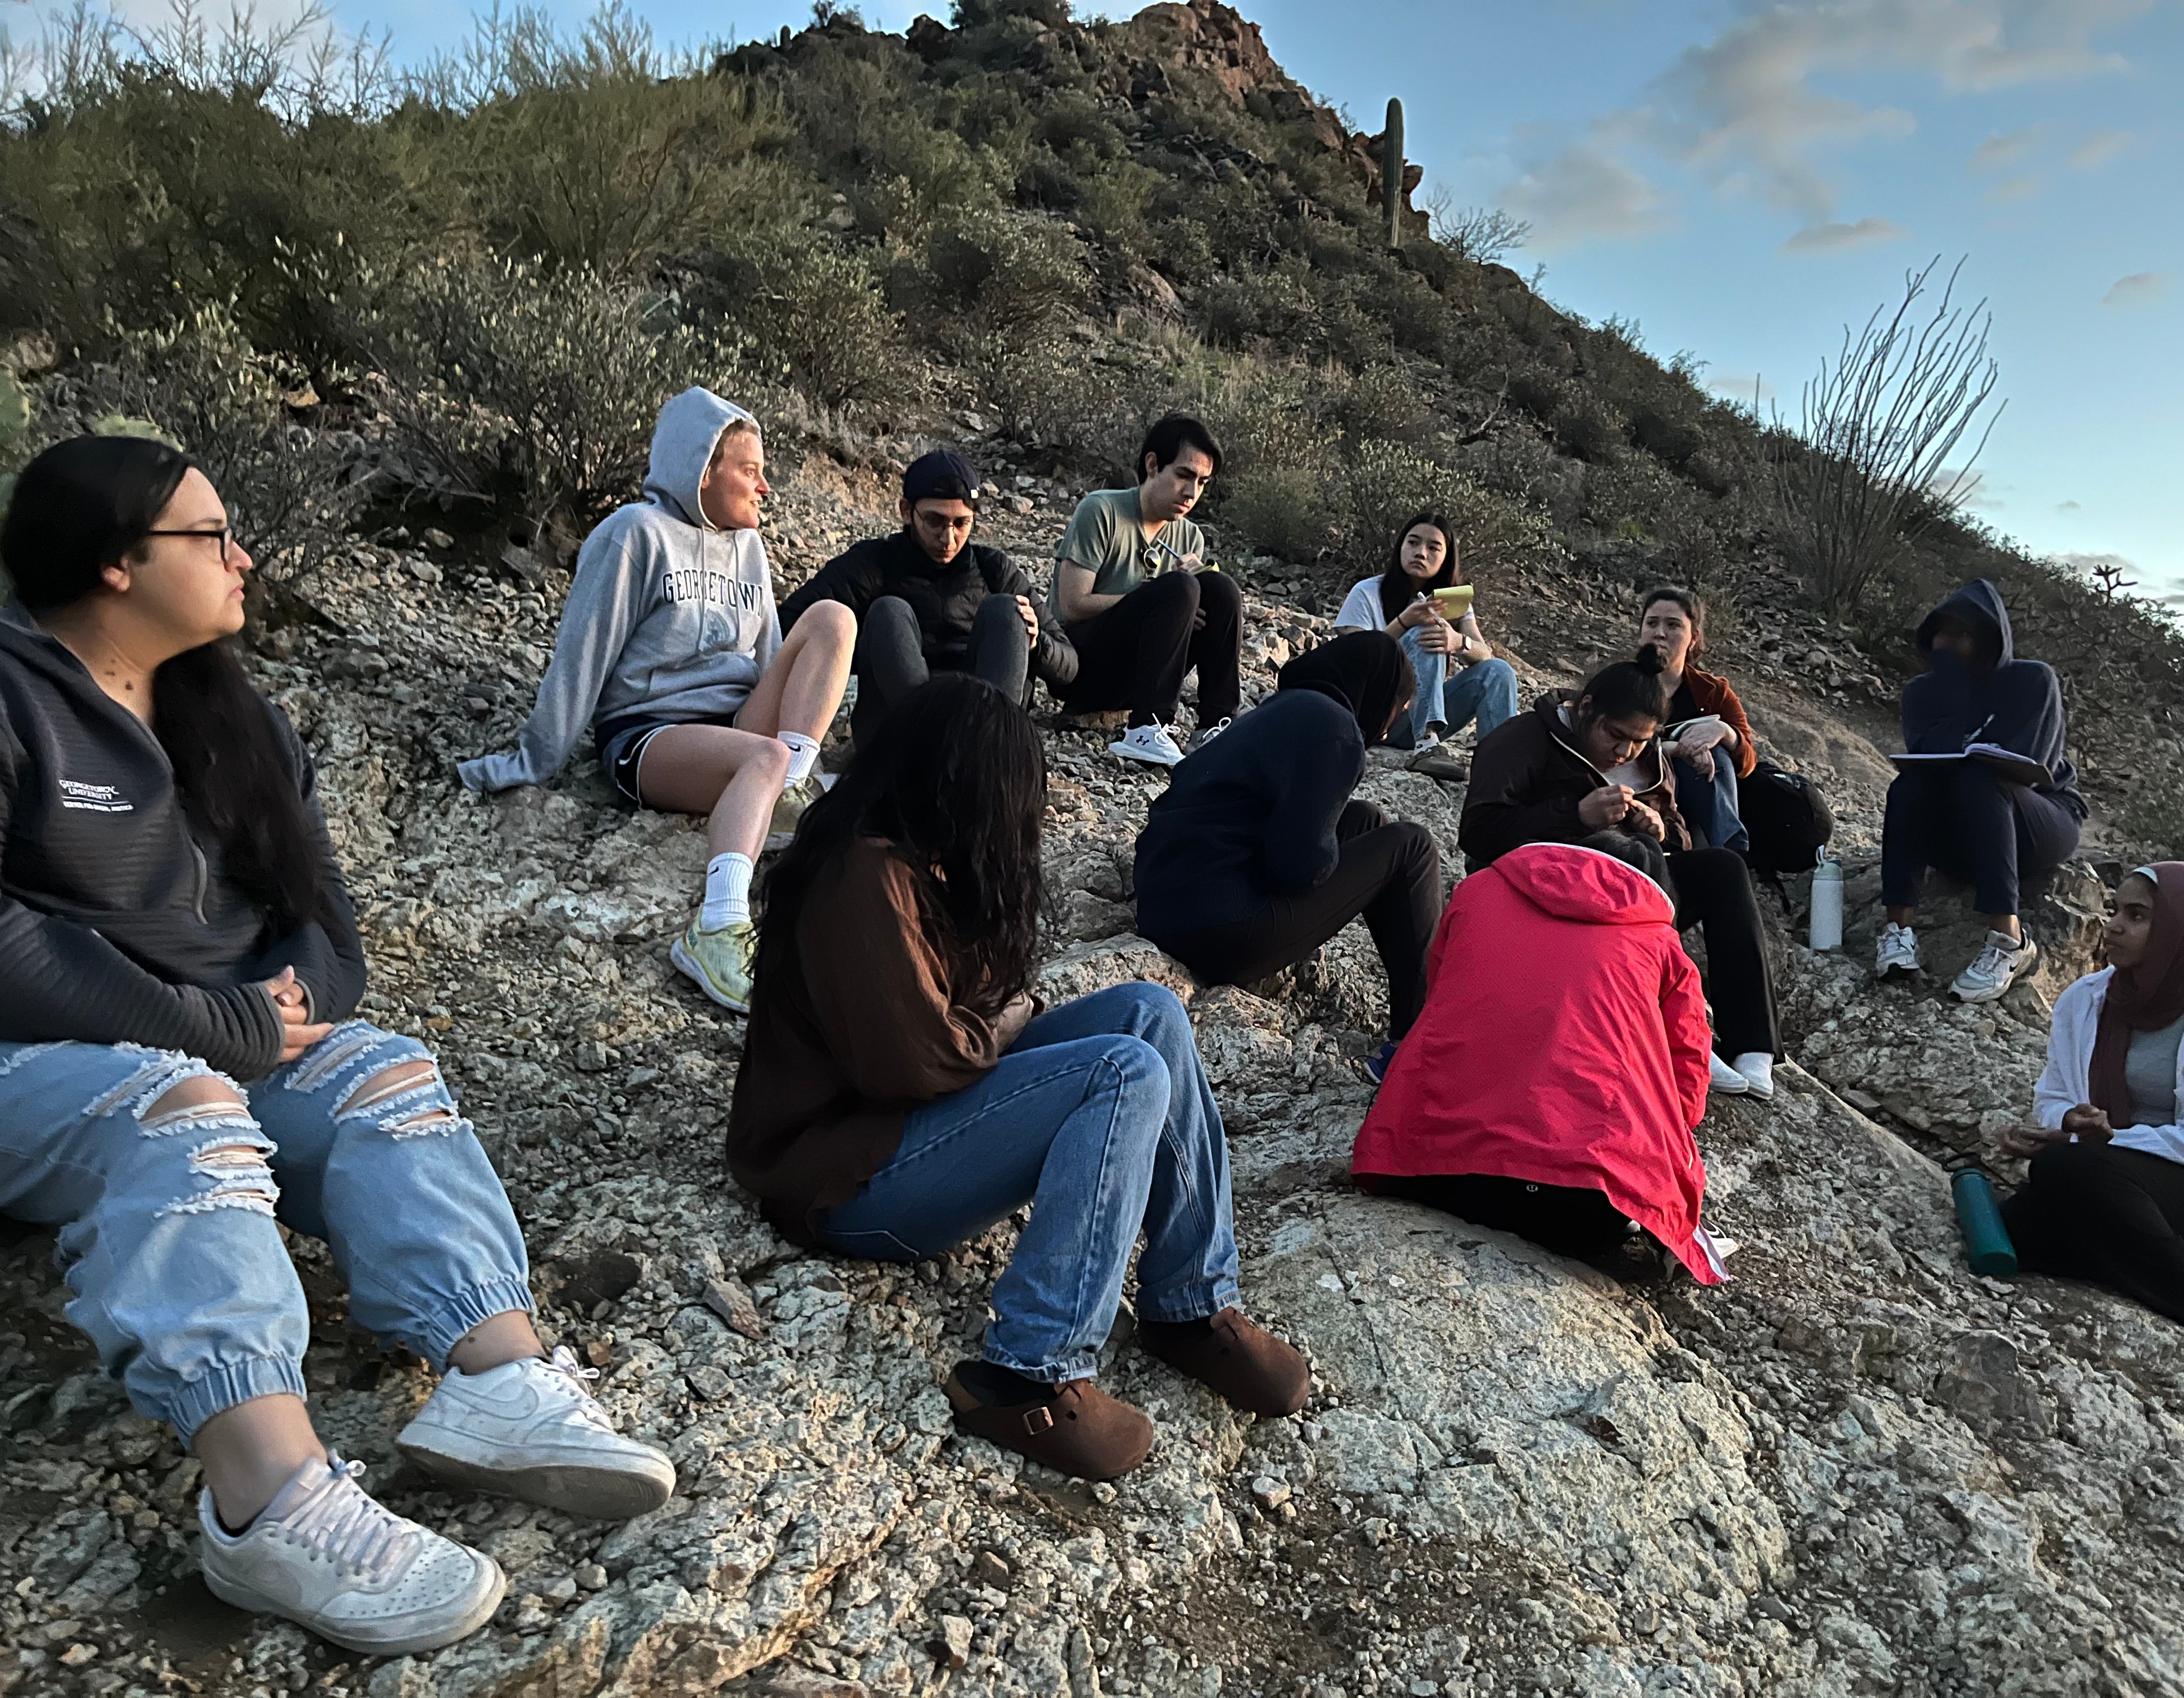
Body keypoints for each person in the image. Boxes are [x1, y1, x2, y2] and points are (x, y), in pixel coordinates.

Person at [0, 437, 674, 1657]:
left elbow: (325, 928)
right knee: (185, 1103)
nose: (243, 555)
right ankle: (266, 1499)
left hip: (222, 1042)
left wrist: (287, 1009)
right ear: (113, 563)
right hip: (38, 1063)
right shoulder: (11, 700)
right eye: (210, 536)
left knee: (382, 1071)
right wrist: (210, 1026)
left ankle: (493, 1371)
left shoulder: (229, 713)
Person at [725, 675, 1308, 1482]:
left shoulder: (924, 866)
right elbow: (917, 1060)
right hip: (841, 1176)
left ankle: (1191, 1305)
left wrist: (994, 1011)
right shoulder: (861, 874)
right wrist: (994, 1029)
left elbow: (988, 1004)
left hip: (906, 1125)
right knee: (1123, 1071)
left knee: (1151, 1013)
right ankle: (1028, 1372)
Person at [459, 387, 856, 1016]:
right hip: (648, 733)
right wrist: (532, 758)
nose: (765, 488)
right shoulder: (632, 535)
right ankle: (717, 928)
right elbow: (581, 655)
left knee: (833, 619)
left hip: (735, 726)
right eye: (750, 471)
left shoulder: (749, 549)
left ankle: (788, 791)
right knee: (762, 762)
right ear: (702, 470)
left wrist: (790, 734)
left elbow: (770, 654)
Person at [1353, 832, 1725, 1285]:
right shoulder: (1662, 946)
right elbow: (1689, 1091)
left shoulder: (1479, 890)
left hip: (1432, 1169)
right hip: (1577, 1211)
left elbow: (1441, 991)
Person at [1459, 650, 1780, 1100]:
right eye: (1616, 735)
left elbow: (1677, 839)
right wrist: (1575, 815)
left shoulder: (1649, 760)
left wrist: (1662, 830)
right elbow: (1478, 834)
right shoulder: (1526, 738)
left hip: (1631, 893)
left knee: (1721, 868)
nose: (1624, 752)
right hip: (1540, 889)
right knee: (1625, 851)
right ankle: (1672, 1019)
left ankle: (1753, 1045)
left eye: (1639, 741)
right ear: (1586, 707)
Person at [1135, 632, 1442, 1082]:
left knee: (1367, 821)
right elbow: (1299, 866)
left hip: (1165, 905)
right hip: (1220, 931)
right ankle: (1419, 1040)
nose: (1389, 726)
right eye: (1399, 709)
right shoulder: (1337, 731)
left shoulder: (1284, 709)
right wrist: (1327, 861)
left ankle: (1412, 1001)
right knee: (1412, 846)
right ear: (1379, 694)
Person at [1998, 864, 2184, 1350]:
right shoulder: (2086, 998)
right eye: (2114, 910)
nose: (2114, 926)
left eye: (2137, 916)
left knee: (2066, 1172)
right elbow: (2053, 1094)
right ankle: (2138, 1258)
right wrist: (2067, 1121)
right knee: (2023, 1228)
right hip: (2102, 1170)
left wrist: (2104, 1140)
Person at [1876, 578, 2086, 1003]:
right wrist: (1954, 692)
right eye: (1942, 633)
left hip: (2042, 818)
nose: (1948, 643)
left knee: (1980, 777)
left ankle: (2009, 940)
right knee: (1908, 785)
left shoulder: (2032, 681)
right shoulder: (1922, 693)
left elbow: (2032, 766)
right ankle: (1898, 930)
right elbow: (1928, 755)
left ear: (1990, 638)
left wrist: (1972, 748)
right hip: (1963, 826)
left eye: (1962, 634)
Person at [778, 448, 1076, 742]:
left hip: (981, 731)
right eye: (935, 521)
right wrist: (855, 648)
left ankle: (985, 753)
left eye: (961, 523)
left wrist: (1036, 644)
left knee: (1009, 612)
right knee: (888, 612)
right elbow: (788, 627)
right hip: (901, 729)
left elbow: (1070, 667)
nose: (948, 538)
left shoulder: (994, 570)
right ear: (907, 512)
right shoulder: (872, 564)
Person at [1049, 415, 1241, 768]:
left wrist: (1184, 604)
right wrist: (1156, 599)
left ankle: (1215, 726)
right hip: (1080, 667)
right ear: (1153, 465)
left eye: (1202, 482)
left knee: (1221, 589)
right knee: (1179, 588)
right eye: (1183, 475)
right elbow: (1072, 605)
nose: (1191, 493)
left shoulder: (1188, 536)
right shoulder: (1102, 510)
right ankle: (1146, 729)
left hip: (1141, 674)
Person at [1331, 512, 1519, 783]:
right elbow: (1355, 658)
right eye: (1413, 543)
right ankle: (1427, 745)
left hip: (1408, 722)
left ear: (1446, 558)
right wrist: (1404, 623)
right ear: (1400, 548)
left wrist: (1457, 642)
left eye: (1433, 548)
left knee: (1499, 671)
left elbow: (1484, 654)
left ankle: (1499, 774)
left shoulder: (1453, 600)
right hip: (1369, 717)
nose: (1421, 553)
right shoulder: (1367, 592)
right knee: (1426, 628)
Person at [1636, 585, 1753, 853]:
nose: (1660, 633)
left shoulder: (1713, 692)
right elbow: (1604, 745)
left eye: (1674, 625)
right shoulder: (1621, 683)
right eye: (1651, 623)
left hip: (1695, 793)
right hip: (1641, 787)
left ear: (1694, 637)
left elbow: (1748, 764)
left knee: (1719, 755)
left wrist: (1724, 732)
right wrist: (1677, 750)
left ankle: (1728, 853)